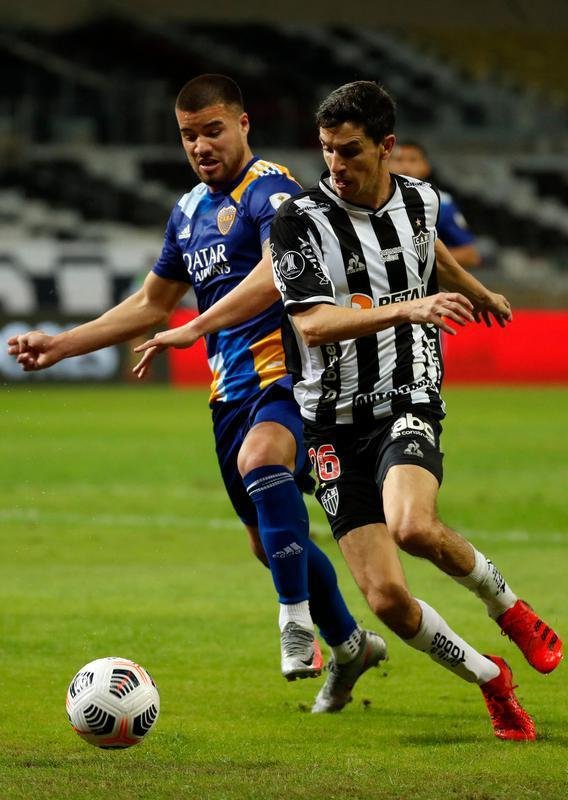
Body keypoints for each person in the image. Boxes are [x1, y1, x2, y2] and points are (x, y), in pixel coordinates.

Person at [137, 81, 563, 738]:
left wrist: (479, 292)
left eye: (350, 150)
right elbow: (311, 325)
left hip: (406, 398)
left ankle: (511, 609)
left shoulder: (421, 199)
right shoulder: (298, 220)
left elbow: (430, 250)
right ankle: (491, 679)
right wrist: (412, 307)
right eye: (327, 150)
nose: (336, 164)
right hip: (330, 423)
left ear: (386, 147)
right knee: (388, 599)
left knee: (414, 526)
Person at [7, 74, 388, 708]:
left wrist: (201, 324)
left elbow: (276, 274)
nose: (201, 146)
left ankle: (295, 627)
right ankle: (349, 645)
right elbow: (154, 303)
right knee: (266, 542)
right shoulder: (187, 212)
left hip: (294, 375)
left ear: (243, 125)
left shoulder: (274, 191)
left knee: (263, 457)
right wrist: (62, 343)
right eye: (189, 136)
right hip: (228, 393)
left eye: (213, 130)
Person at [389, 140, 481, 270]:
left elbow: (470, 256)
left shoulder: (442, 203)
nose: (405, 166)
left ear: (426, 167)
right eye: (398, 160)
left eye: (413, 160)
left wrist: (414, 258)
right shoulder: (370, 201)